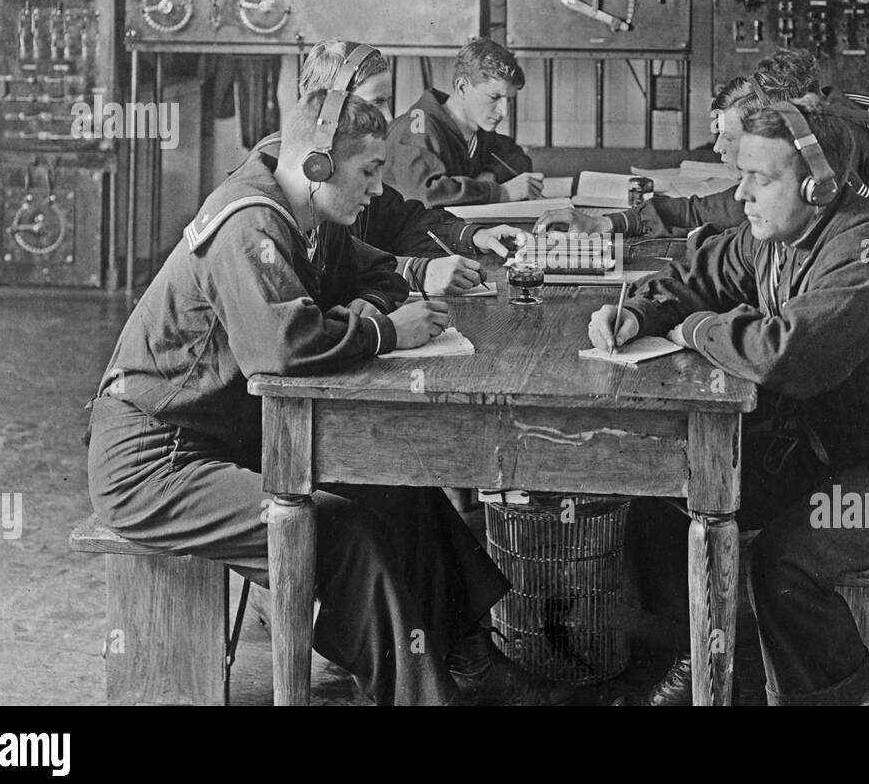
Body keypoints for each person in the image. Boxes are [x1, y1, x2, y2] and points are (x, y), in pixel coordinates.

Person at [86, 89, 568, 706]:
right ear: (317, 165)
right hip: (154, 460)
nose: (375, 191)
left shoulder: (310, 216)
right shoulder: (249, 222)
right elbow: (278, 349)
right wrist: (384, 329)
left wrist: (368, 309)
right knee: (341, 532)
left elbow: (375, 274)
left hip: (231, 436)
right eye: (368, 173)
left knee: (401, 489)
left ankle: (474, 664)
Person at [586, 94, 869, 706]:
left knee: (786, 562)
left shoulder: (865, 260)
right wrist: (640, 311)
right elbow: (698, 278)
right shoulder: (777, 236)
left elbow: (781, 356)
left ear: (819, 187)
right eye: (741, 177)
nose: (740, 196)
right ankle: (701, 656)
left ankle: (834, 700)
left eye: (758, 180)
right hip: (826, 453)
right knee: (666, 494)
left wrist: (694, 329)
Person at [535, 48, 869, 242]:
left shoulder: (823, 152)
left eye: (728, 138)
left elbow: (714, 211)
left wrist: (609, 224)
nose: (717, 149)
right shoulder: (811, 134)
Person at [255, 40, 523, 296]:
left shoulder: (338, 168)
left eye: (386, 102)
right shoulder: (273, 193)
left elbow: (401, 222)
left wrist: (474, 236)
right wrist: (414, 272)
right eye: (373, 104)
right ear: (327, 109)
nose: (388, 118)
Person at [385, 38, 544, 206]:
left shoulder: (478, 132)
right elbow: (424, 194)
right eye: (494, 97)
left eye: (508, 100)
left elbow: (518, 158)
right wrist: (500, 192)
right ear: (462, 87)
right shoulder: (417, 128)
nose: (504, 112)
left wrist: (491, 174)